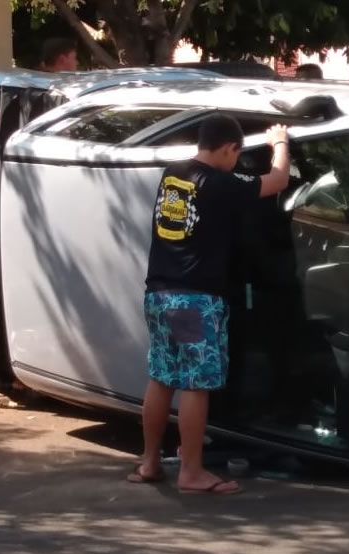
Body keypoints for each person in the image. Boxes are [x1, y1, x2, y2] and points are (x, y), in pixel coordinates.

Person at [128, 114, 291, 494]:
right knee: (196, 385)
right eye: (236, 155)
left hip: (159, 294)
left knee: (162, 378)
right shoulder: (220, 183)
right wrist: (279, 143)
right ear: (228, 148)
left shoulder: (173, 174)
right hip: (194, 299)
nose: (236, 162)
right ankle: (192, 472)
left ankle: (150, 463)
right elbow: (279, 181)